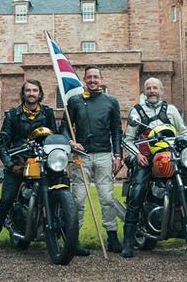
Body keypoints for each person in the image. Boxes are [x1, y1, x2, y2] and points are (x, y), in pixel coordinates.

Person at [0, 79, 57, 256]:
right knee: (6, 200)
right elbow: (2, 143)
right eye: (28, 90)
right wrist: (10, 164)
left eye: (35, 90)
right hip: (19, 163)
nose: (31, 93)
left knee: (60, 193)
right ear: (23, 94)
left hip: (42, 162)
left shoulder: (48, 113)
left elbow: (54, 137)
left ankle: (64, 237)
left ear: (40, 93)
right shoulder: (12, 115)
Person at [121, 78, 187, 258]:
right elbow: (127, 139)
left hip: (170, 156)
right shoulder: (137, 111)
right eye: (148, 88)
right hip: (146, 158)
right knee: (138, 192)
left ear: (161, 90)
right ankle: (128, 240)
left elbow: (183, 132)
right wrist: (137, 156)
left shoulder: (172, 110)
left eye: (155, 88)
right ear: (144, 91)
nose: (152, 91)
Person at [60, 66, 123, 255]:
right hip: (81, 156)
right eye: (89, 77)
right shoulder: (74, 101)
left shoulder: (111, 101)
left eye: (96, 77)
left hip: (104, 154)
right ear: (84, 80)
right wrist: (70, 142)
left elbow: (117, 130)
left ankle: (112, 237)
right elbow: (64, 126)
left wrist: (118, 155)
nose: (93, 80)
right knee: (78, 199)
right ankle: (74, 239)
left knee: (107, 198)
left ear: (101, 79)